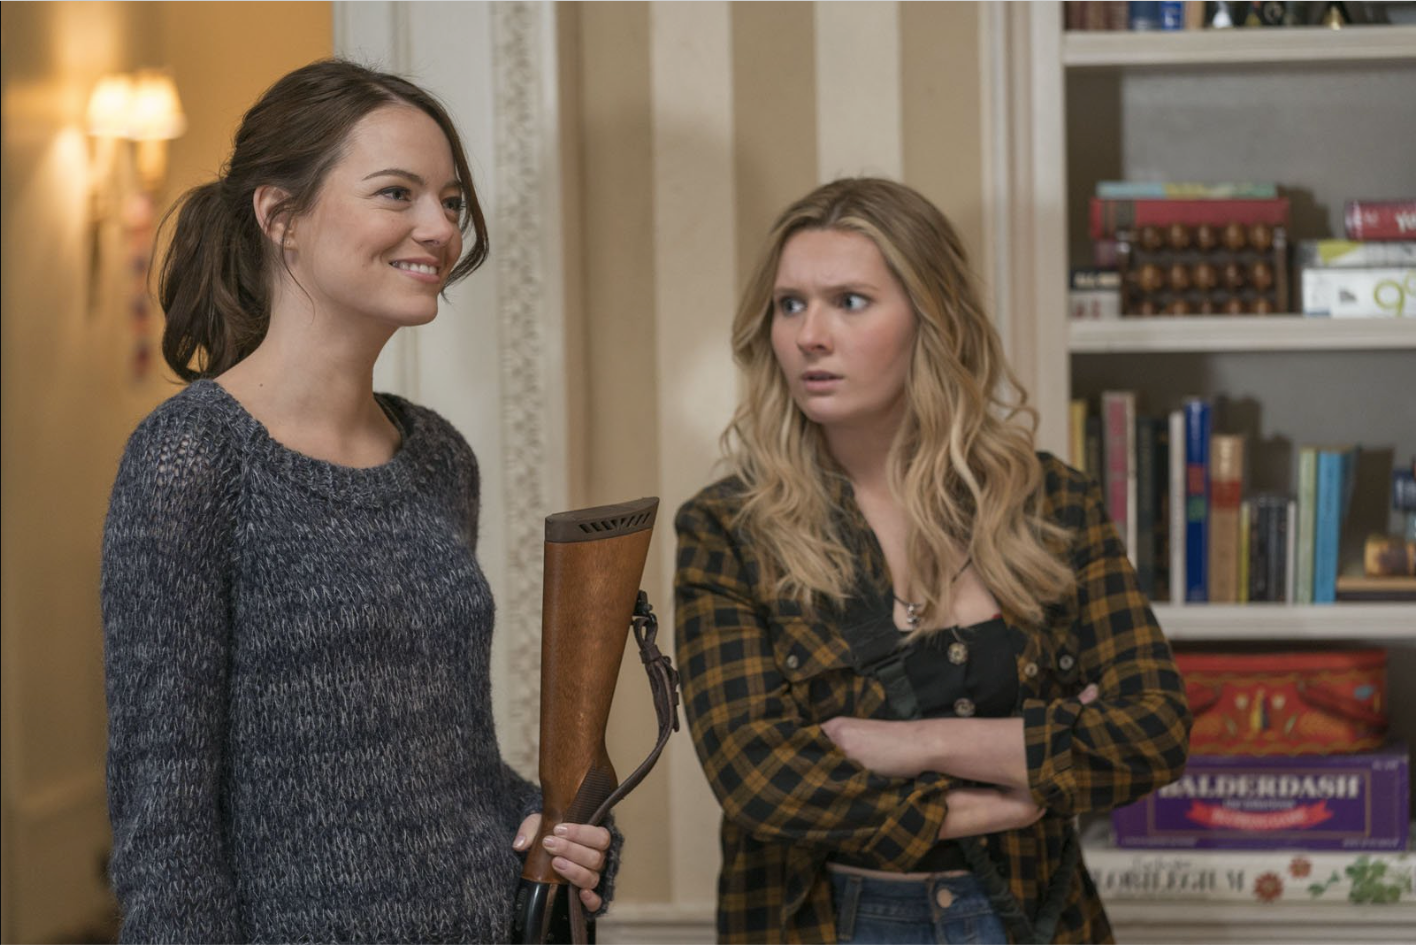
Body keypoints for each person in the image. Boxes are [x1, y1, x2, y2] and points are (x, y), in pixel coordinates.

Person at [101, 59, 615, 944]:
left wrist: (548, 827)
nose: (438, 228)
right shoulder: (191, 459)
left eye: (450, 200)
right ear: (280, 216)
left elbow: (449, 767)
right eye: (397, 193)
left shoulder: (439, 456)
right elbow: (164, 829)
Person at [674, 178, 1191, 944]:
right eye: (790, 304)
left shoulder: (1051, 503)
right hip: (829, 920)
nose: (810, 334)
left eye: (850, 301)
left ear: (931, 319)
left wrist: (919, 745)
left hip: (1031, 917)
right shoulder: (728, 527)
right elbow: (762, 777)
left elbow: (1151, 731)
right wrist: (993, 795)